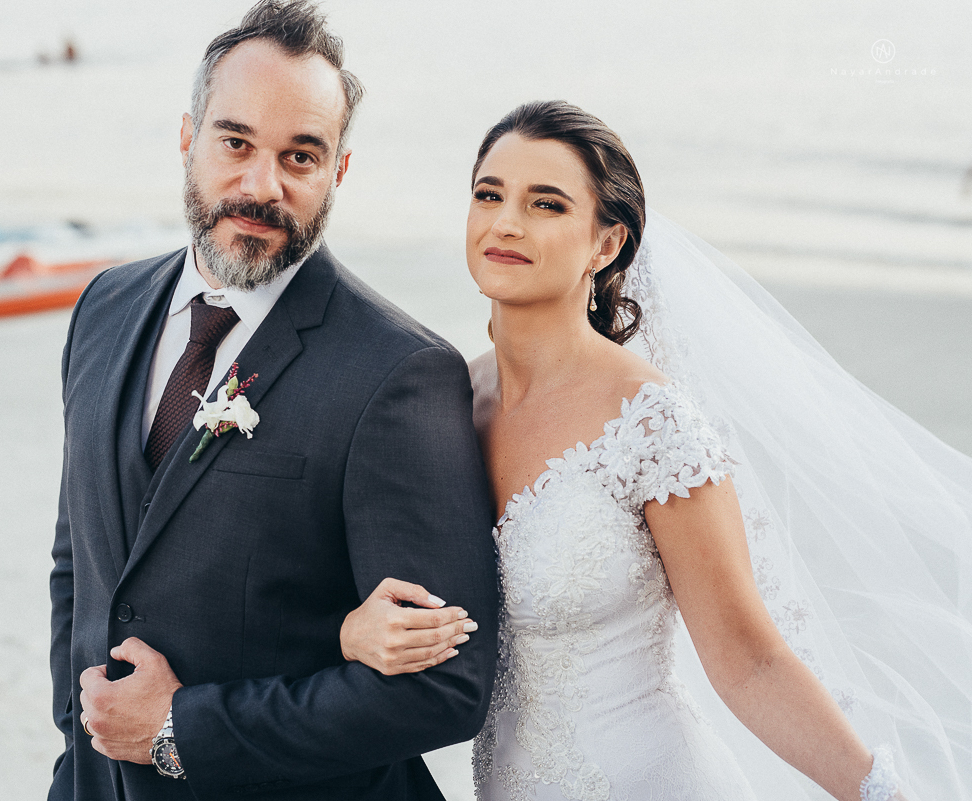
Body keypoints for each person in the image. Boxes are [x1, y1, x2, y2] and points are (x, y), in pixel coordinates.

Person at [340, 101, 972, 800]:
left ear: (606, 245)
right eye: (489, 194)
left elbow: (749, 660)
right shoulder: (446, 402)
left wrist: (877, 790)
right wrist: (352, 632)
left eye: (546, 204)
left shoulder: (649, 421)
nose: (506, 222)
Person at [47, 2, 498, 799]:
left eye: (301, 155)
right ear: (187, 137)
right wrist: (78, 743)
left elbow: (446, 685)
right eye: (236, 142)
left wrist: (183, 730)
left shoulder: (400, 372)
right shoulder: (103, 308)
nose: (263, 185)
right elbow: (77, 559)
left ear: (339, 171)